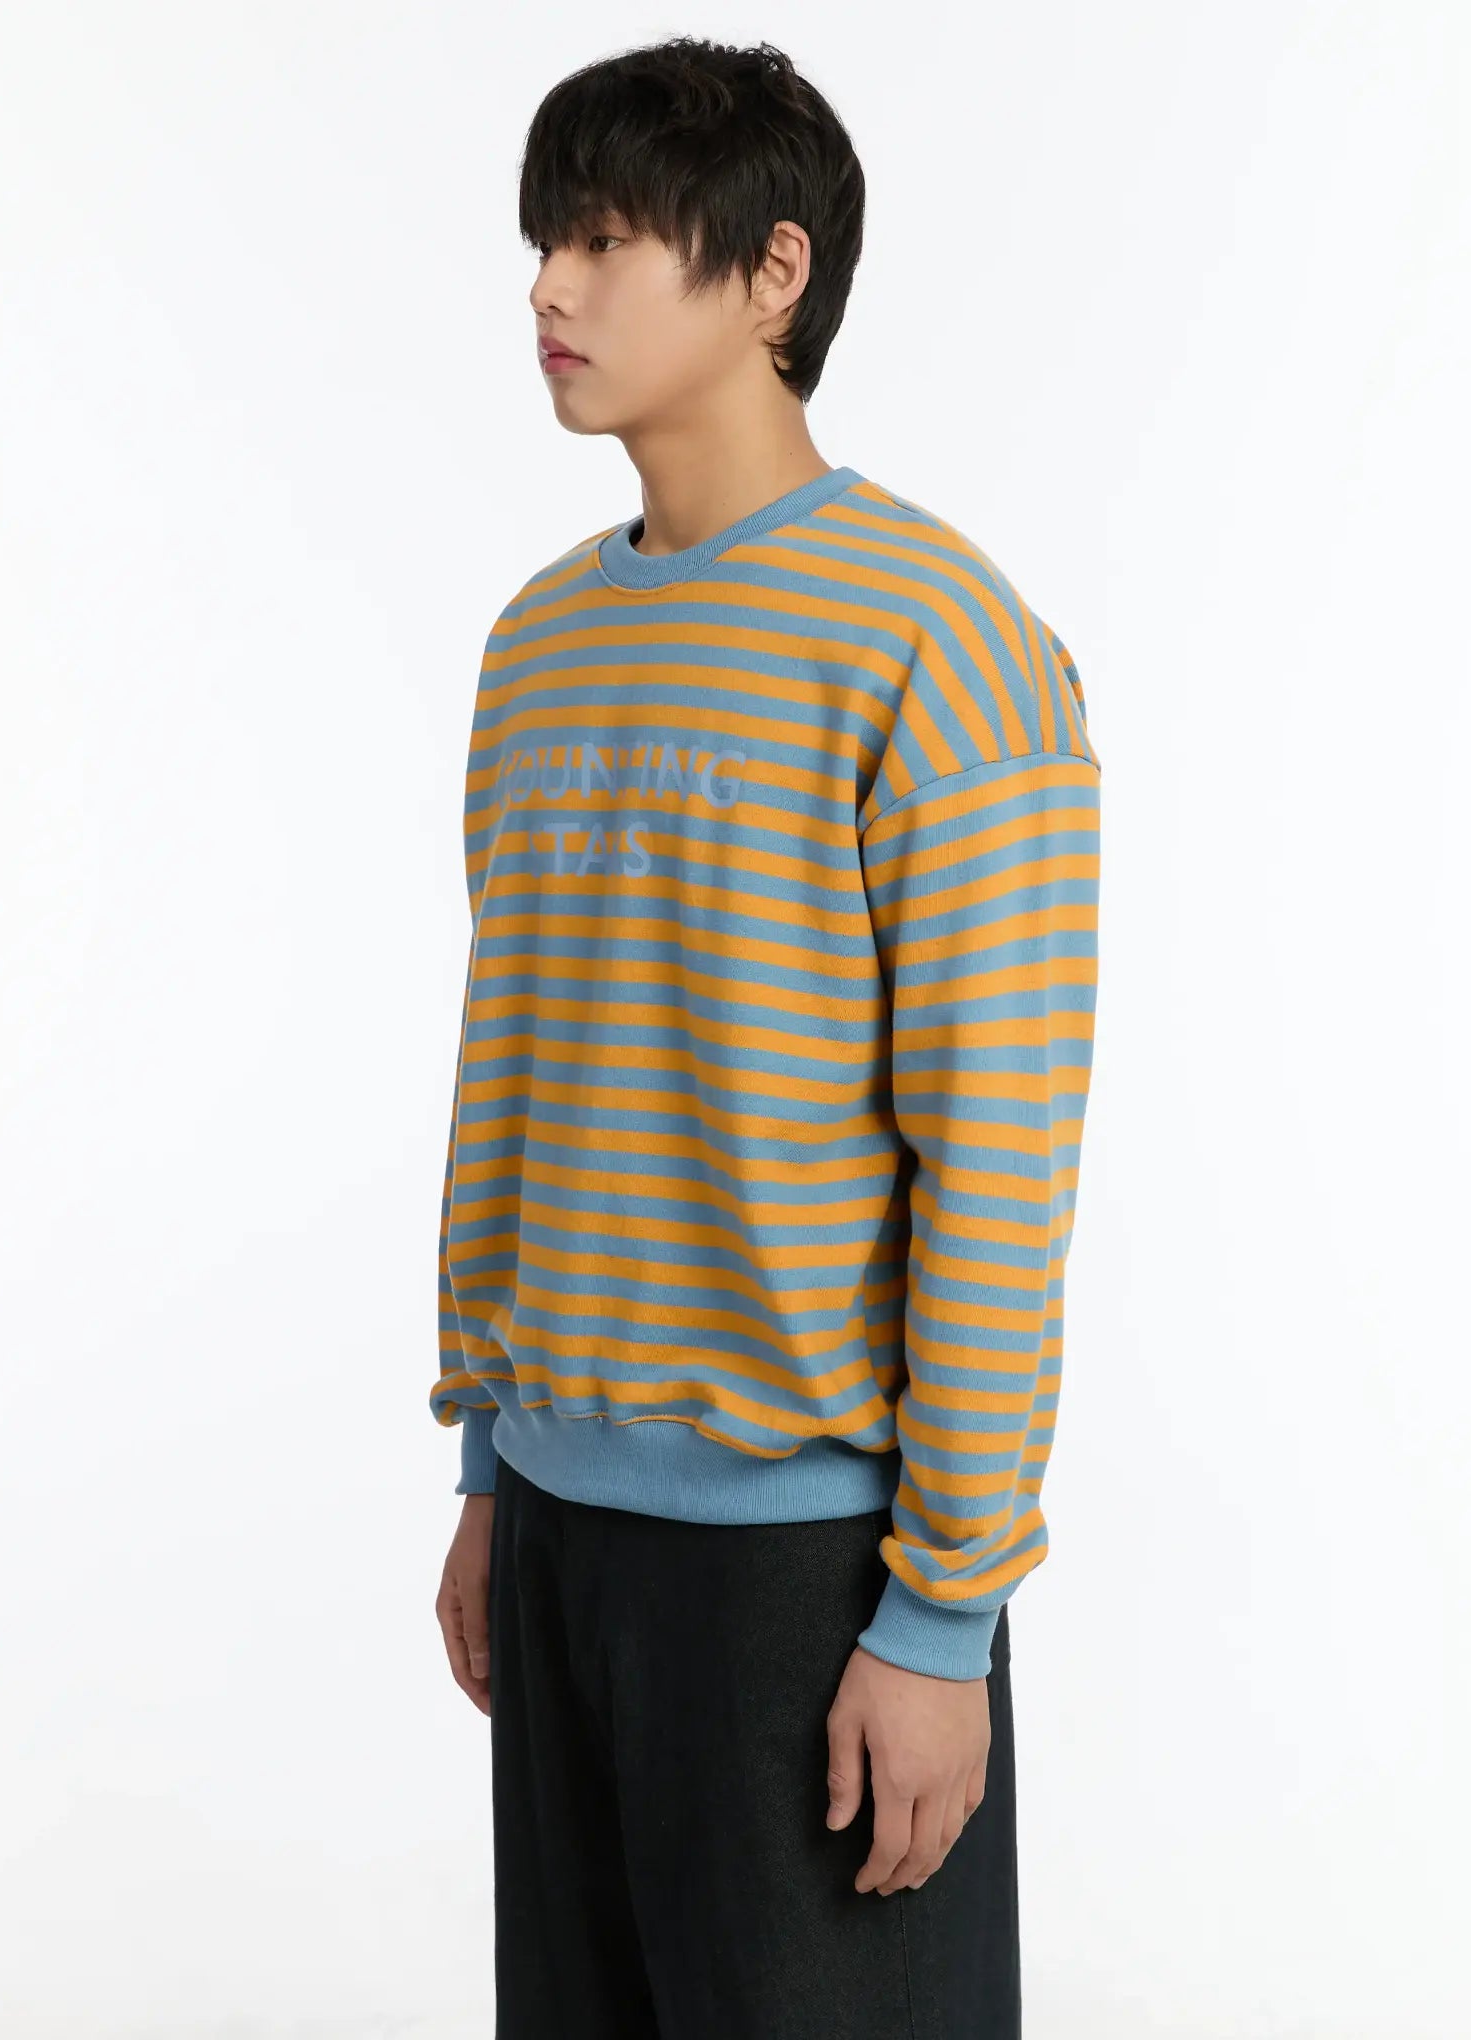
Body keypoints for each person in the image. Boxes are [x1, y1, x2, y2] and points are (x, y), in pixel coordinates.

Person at [431, 34, 1101, 2039]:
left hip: (806, 1579)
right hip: (559, 1540)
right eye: (544, 240)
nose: (547, 286)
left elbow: (998, 1155)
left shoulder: (941, 646)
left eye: (602, 238)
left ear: (772, 272)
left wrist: (942, 1614)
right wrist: (492, 1466)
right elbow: (521, 1073)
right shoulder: (540, 644)